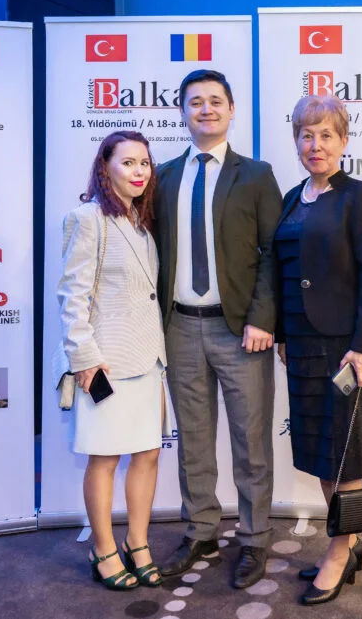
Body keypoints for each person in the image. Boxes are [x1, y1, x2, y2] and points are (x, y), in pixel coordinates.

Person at [154, 69, 283, 589]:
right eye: (195, 102)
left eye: (214, 101)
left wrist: (263, 319)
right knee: (193, 440)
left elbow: (273, 252)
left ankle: (254, 538)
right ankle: (201, 531)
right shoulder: (162, 176)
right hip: (179, 328)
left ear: (231, 110)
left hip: (241, 332)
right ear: (182, 112)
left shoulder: (256, 175)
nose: (205, 109)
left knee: (251, 442)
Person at [274, 94, 362, 605]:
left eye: (326, 135)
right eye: (306, 135)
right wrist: (282, 333)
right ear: (296, 141)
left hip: (345, 350)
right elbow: (282, 272)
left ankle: (340, 552)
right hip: (301, 348)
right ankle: (349, 540)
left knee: (346, 456)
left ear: (343, 141)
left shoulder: (360, 197)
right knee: (323, 454)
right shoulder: (290, 198)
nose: (315, 144)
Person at [57, 131, 167, 591]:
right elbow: (72, 296)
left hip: (148, 359)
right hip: (104, 364)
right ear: (106, 167)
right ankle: (103, 549)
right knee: (104, 459)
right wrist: (85, 358)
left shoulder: (142, 222)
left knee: (148, 454)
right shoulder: (87, 219)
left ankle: (137, 543)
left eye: (144, 163)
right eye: (128, 162)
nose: (139, 171)